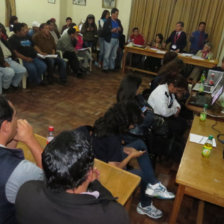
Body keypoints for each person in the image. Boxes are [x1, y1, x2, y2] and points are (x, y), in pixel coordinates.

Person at [15, 128, 130, 224]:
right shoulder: (113, 216)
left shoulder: (26, 191)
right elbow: (109, 204)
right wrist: (96, 184)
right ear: (89, 174)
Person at [92, 102, 175, 220]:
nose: (133, 126)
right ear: (126, 122)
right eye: (133, 124)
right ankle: (144, 205)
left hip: (100, 159)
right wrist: (131, 156)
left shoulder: (105, 122)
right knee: (142, 176)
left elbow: (105, 147)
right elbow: (114, 169)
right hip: (103, 173)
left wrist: (124, 149)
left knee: (139, 144)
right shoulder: (113, 138)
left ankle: (154, 183)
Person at [0, 96, 44, 224]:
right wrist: (31, 140)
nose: (18, 120)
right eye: (15, 116)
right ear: (5, 126)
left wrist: (11, 136)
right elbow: (52, 182)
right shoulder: (20, 171)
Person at [0, 27, 26, 92]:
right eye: (0, 32)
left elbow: (11, 50)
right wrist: (3, 62)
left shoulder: (3, 40)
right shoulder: (12, 38)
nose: (1, 33)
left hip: (9, 59)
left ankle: (13, 85)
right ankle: (5, 88)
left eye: (1, 31)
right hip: (2, 61)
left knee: (22, 70)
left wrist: (14, 57)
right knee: (10, 72)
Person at [102, 8, 123, 72]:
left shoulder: (118, 21)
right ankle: (105, 68)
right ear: (112, 14)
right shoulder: (107, 21)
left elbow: (122, 29)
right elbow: (104, 31)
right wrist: (111, 30)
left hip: (116, 40)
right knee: (107, 55)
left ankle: (112, 67)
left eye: (118, 14)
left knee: (114, 55)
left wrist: (120, 29)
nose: (117, 15)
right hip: (109, 40)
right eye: (116, 14)